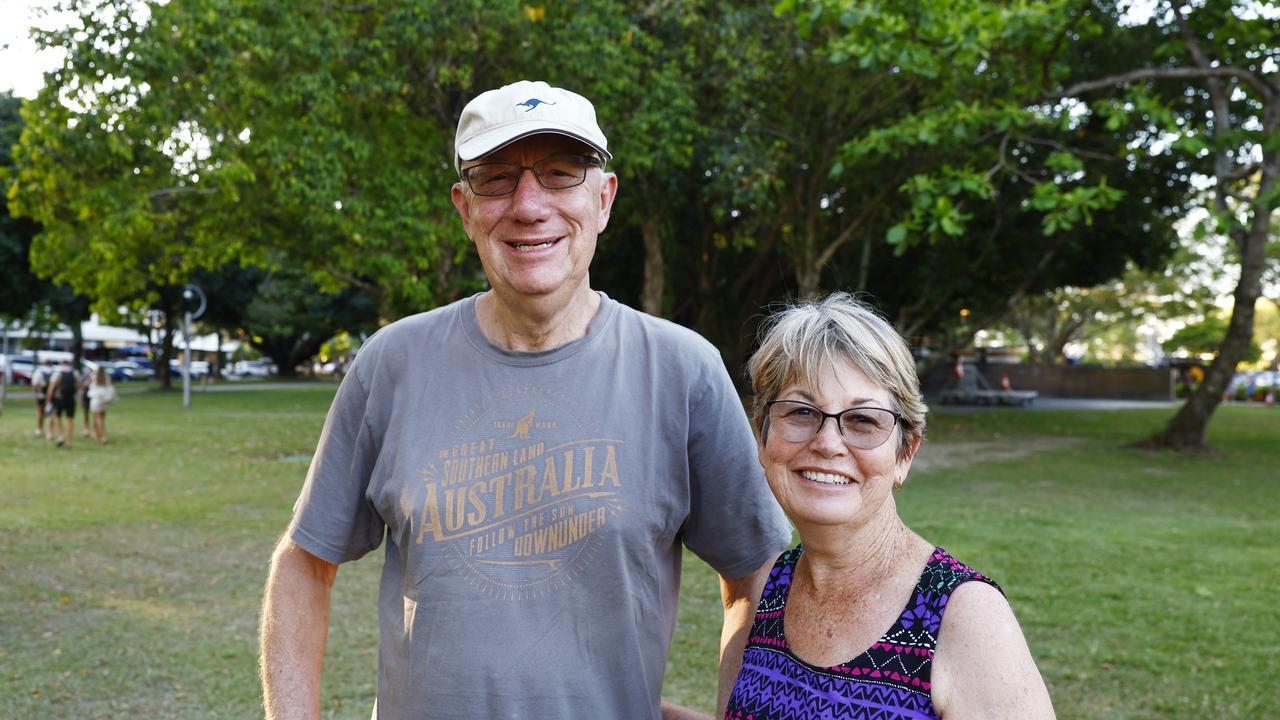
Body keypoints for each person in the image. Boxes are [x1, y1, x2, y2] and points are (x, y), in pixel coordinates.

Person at [259, 80, 792, 720]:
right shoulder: (392, 364)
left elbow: (755, 577)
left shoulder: (684, 372)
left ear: (604, 198)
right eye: (497, 178)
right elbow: (304, 562)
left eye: (561, 174)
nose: (529, 205)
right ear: (464, 207)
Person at [724, 293, 1055, 719]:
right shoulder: (771, 586)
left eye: (863, 420)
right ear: (763, 435)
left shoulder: (965, 616)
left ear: (905, 454)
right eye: (802, 412)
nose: (826, 444)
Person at [44, 359, 79, 448]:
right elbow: (78, 386)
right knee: (70, 419)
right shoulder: (75, 373)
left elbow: (51, 388)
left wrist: (48, 399)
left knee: (57, 417)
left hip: (59, 398)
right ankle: (69, 441)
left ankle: (61, 436)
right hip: (71, 398)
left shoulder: (57, 373)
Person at [87, 366, 116, 444]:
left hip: (96, 400)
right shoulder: (106, 377)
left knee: (97, 418)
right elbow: (110, 387)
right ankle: (97, 434)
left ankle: (103, 436)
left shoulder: (94, 377)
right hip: (104, 400)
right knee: (101, 419)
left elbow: (89, 386)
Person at [32, 358, 53, 438]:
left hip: (41, 395)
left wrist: (36, 393)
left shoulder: (39, 372)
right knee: (50, 414)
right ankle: (49, 432)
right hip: (51, 396)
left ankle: (39, 429)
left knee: (40, 412)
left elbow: (35, 384)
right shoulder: (53, 371)